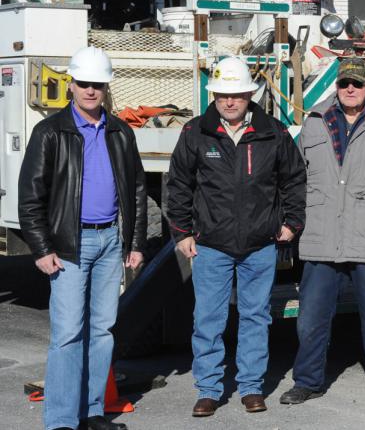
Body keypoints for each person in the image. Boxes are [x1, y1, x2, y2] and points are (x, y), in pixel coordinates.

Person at [166, 56, 306, 417]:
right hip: (211, 245)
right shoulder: (195, 132)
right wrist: (182, 233)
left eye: (237, 95)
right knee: (208, 319)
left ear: (249, 94)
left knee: (256, 317)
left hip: (260, 244)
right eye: (222, 95)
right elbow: (179, 185)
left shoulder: (272, 132)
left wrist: (291, 223)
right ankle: (209, 389)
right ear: (213, 95)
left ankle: (251, 388)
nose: (229, 102)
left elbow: (293, 180)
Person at [18, 46, 146, 430]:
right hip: (69, 247)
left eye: (98, 85)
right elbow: (30, 196)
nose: (91, 90)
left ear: (106, 88)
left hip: (110, 242)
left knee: (103, 331)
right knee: (69, 333)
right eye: (84, 83)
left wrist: (135, 243)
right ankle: (60, 420)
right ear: (71, 85)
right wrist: (41, 248)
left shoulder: (121, 132)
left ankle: (91, 413)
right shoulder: (49, 132)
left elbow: (137, 190)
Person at [279, 57, 365, 405]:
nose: (350, 89)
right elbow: (297, 176)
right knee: (310, 318)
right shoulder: (314, 123)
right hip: (322, 235)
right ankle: (307, 381)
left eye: (356, 84)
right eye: (344, 84)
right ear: (336, 87)